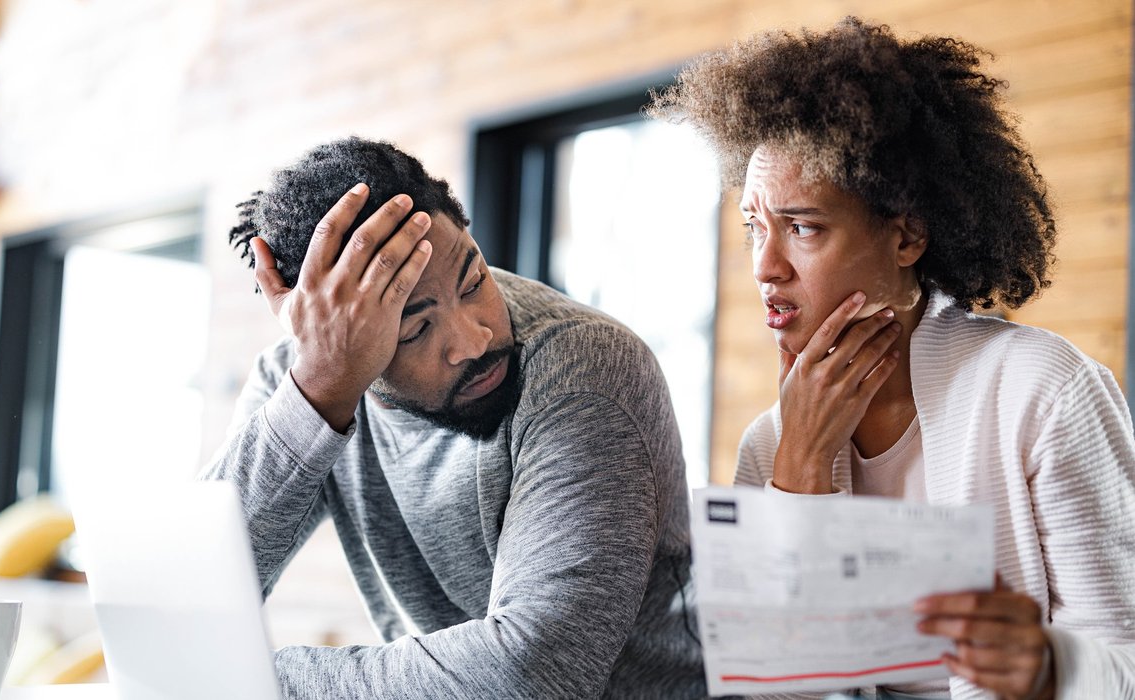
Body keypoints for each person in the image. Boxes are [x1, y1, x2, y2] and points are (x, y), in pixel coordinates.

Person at [653, 16, 1135, 700]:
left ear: (905, 237)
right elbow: (766, 688)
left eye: (801, 227)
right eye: (753, 228)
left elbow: (1125, 660)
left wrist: (1046, 666)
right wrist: (799, 470)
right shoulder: (769, 442)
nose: (764, 266)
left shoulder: (1041, 392)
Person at [203, 136, 705, 698]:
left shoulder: (584, 370)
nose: (473, 340)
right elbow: (189, 596)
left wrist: (247, 680)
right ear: (327, 331)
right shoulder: (301, 384)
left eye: (474, 282)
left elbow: (533, 673)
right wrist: (320, 391)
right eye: (414, 328)